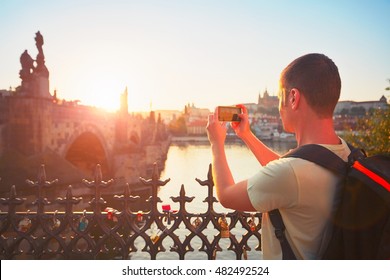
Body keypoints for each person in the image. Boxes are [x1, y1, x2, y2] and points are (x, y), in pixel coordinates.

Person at [206, 53, 351, 260]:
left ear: (293, 98)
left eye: (280, 98)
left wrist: (216, 143)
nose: (278, 106)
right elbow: (290, 173)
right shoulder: (346, 153)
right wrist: (246, 135)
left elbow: (227, 195)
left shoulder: (291, 173)